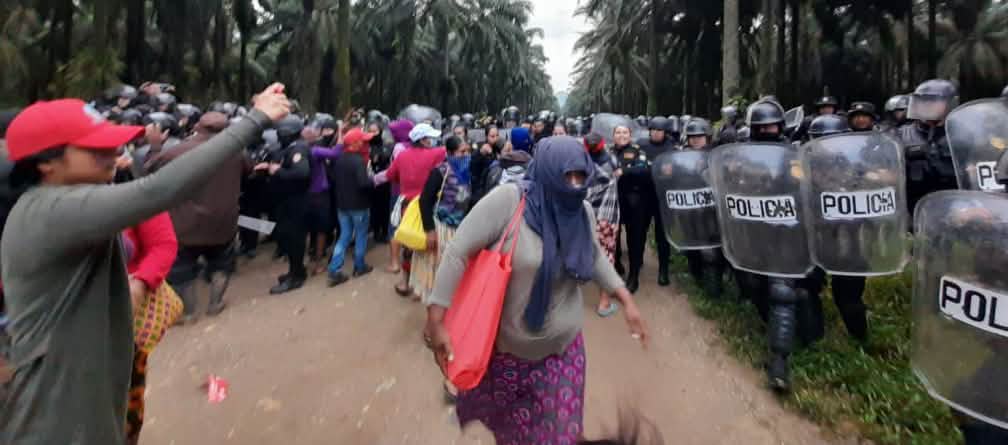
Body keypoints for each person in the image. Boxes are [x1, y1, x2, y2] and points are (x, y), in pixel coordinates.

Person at [0, 84, 288, 445]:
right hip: (55, 417)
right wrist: (254, 120)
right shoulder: (52, 210)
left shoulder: (60, 202)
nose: (113, 153)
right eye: (95, 148)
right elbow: (159, 190)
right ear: (46, 162)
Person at [423, 136, 648, 445]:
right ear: (545, 171)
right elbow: (458, 251)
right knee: (513, 436)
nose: (572, 184)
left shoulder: (582, 211)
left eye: (579, 176)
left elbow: (593, 256)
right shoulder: (508, 201)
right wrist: (436, 318)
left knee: (560, 437)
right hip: (506, 357)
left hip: (563, 355)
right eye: (565, 175)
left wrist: (624, 298)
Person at [146, 112, 249, 323]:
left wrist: (155, 146)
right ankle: (215, 303)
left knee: (182, 270)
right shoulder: (237, 153)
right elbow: (250, 170)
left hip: (186, 224)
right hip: (223, 222)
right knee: (221, 264)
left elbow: (150, 172)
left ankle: (190, 312)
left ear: (198, 127)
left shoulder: (177, 151)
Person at [121, 212, 178, 445]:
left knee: (125, 410)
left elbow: (163, 244)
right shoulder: (26, 206)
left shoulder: (133, 196)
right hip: (42, 332)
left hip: (123, 326)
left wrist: (140, 284)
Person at [385, 123, 447, 297]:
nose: (433, 140)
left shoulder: (402, 156)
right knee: (428, 246)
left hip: (407, 207)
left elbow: (391, 176)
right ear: (424, 140)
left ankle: (405, 283)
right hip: (428, 207)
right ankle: (424, 286)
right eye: (431, 138)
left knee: (409, 245)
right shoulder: (437, 154)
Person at [410, 135, 472, 302]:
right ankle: (432, 316)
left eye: (468, 151)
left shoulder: (468, 171)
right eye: (462, 152)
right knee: (436, 273)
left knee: (453, 276)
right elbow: (425, 201)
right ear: (450, 153)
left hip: (460, 230)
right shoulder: (440, 171)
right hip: (441, 230)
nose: (466, 155)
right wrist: (430, 230)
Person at [258, 115, 313, 294]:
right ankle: (296, 271)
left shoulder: (299, 149)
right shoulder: (290, 147)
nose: (278, 136)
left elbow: (302, 172)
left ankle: (296, 276)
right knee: (288, 237)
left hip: (296, 203)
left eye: (280, 132)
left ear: (288, 133)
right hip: (288, 202)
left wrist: (278, 171)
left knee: (294, 239)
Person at [679, 119, 727, 297]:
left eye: (699, 137)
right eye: (692, 137)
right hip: (690, 208)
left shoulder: (716, 156)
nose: (695, 140)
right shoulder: (683, 155)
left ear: (707, 137)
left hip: (712, 209)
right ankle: (696, 275)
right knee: (691, 244)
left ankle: (714, 285)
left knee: (712, 249)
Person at [897, 79, 959, 215]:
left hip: (957, 206)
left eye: (933, 101)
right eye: (922, 101)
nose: (926, 105)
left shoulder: (962, 134)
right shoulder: (899, 135)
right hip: (912, 209)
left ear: (950, 104)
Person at [327, 128, 376, 285]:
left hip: (342, 205)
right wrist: (372, 180)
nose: (364, 143)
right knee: (361, 235)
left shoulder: (339, 159)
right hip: (359, 206)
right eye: (362, 141)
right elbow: (363, 183)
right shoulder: (358, 161)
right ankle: (359, 266)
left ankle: (334, 270)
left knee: (344, 236)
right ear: (355, 144)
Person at [584, 132, 623, 317]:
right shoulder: (611, 162)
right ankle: (604, 303)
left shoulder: (581, 166)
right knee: (607, 256)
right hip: (606, 217)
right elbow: (619, 174)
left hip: (585, 217)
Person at [635, 117, 677, 286]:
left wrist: (670, 172)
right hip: (644, 195)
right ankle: (637, 262)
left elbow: (677, 172)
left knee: (662, 236)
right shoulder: (641, 145)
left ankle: (663, 270)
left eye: (659, 130)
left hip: (662, 197)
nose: (655, 132)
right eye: (652, 129)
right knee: (640, 232)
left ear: (665, 132)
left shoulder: (672, 148)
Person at [611, 125, 652, 293]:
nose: (621, 135)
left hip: (634, 200)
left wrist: (624, 171)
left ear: (630, 135)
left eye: (624, 132)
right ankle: (616, 263)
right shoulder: (608, 151)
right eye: (618, 132)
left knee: (634, 239)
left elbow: (643, 170)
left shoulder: (637, 151)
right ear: (613, 136)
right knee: (613, 235)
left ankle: (633, 276)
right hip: (613, 200)